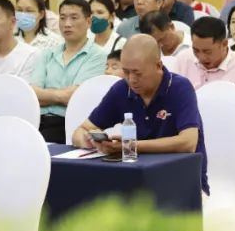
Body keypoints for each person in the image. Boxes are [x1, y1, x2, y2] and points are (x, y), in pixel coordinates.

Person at [72, 35, 208, 192]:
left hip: (181, 180)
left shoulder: (180, 88)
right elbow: (81, 130)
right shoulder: (121, 89)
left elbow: (188, 143)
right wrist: (89, 141)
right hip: (136, 180)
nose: (131, 80)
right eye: (126, 72)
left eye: (138, 73)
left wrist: (130, 146)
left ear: (158, 66)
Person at [30, 0, 107, 143]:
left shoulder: (98, 55)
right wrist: (61, 96)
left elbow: (75, 97)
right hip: (39, 122)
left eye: (74, 18)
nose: (67, 24)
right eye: (63, 18)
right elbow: (32, 95)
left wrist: (47, 95)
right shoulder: (47, 54)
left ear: (88, 22)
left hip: (73, 124)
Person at [172, 16, 235, 100]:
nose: (201, 57)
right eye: (196, 50)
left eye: (207, 52)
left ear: (224, 44)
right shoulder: (183, 59)